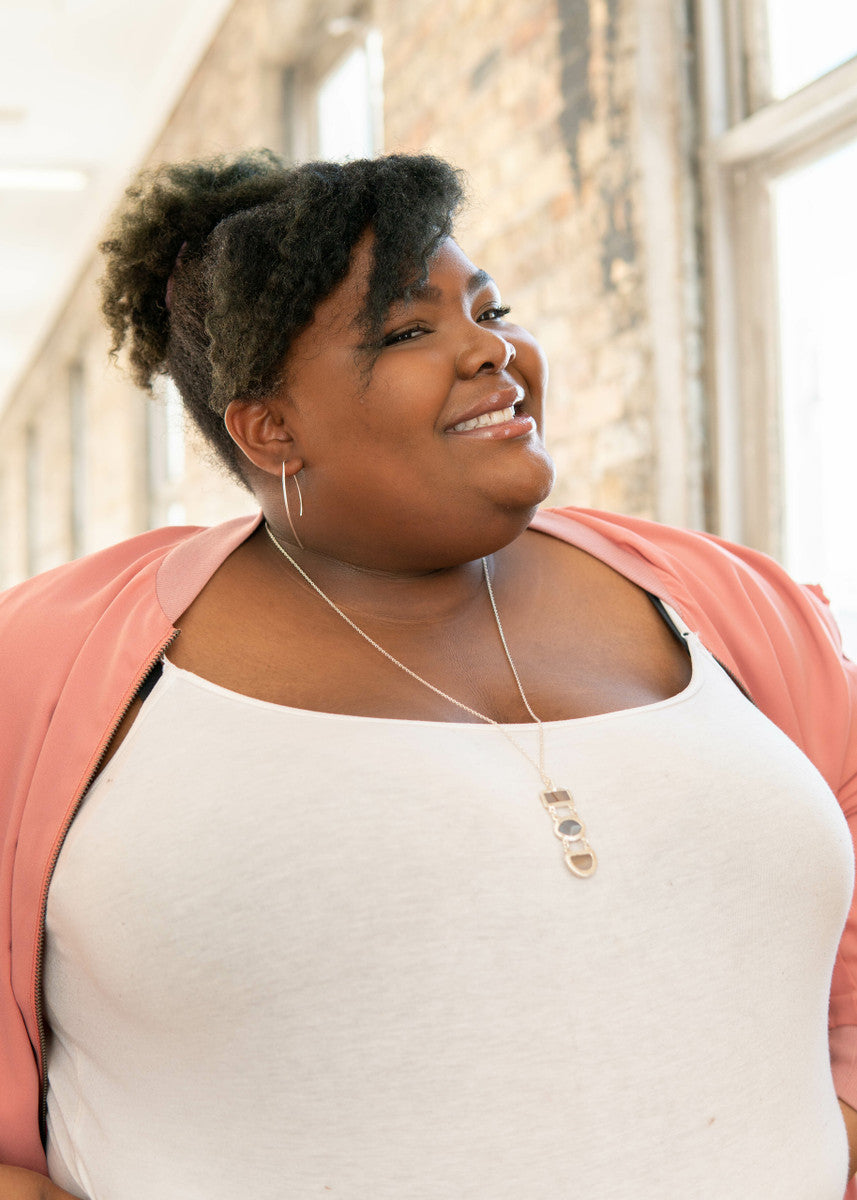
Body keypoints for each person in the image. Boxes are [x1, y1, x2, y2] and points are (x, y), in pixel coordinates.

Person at [1, 148, 856, 1200]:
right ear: (270, 427)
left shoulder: (725, 604)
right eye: (408, 331)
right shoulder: (51, 669)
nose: (491, 349)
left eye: (490, 310)